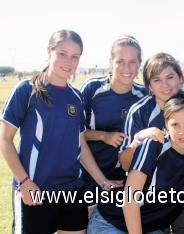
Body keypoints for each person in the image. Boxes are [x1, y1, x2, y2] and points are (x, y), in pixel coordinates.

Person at [0, 30, 116, 234]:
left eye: (75, 56)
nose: (68, 62)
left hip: (72, 192)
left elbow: (80, 145)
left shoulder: (77, 98)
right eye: (62, 53)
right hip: (35, 191)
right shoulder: (27, 90)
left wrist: (103, 182)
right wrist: (24, 182)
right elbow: (5, 139)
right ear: (49, 51)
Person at [88, 94, 184, 233]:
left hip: (149, 229)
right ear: (165, 124)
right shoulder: (153, 146)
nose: (182, 132)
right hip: (111, 223)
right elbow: (130, 201)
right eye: (175, 124)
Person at [79, 35, 146, 215]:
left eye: (132, 61)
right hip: (87, 174)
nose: (126, 68)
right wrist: (103, 135)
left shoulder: (143, 95)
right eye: (120, 61)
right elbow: (73, 133)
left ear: (139, 63)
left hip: (119, 179)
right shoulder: (92, 89)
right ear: (110, 61)